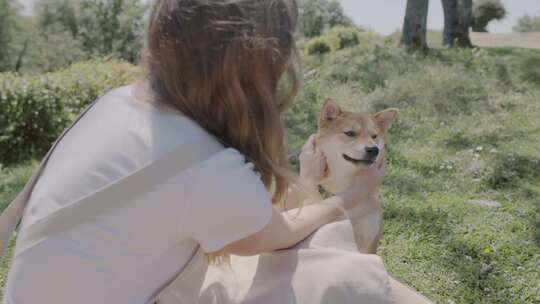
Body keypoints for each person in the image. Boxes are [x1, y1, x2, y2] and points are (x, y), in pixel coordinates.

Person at [4, 0, 432, 303]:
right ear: (255, 63)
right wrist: (347, 198)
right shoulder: (204, 165)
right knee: (331, 261)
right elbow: (279, 234)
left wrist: (304, 181)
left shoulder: (112, 103)